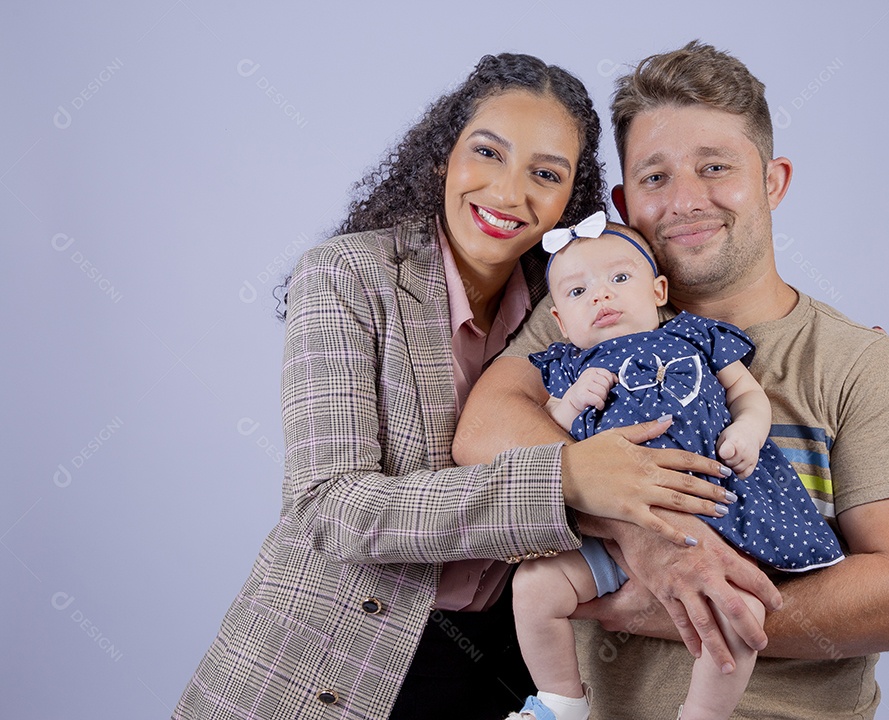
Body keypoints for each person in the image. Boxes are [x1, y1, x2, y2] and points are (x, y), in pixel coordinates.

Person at [172, 52, 734, 720]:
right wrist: (564, 480)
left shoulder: (567, 307)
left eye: (546, 174)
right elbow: (330, 508)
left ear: (569, 201)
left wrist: (831, 343)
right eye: (488, 152)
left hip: (502, 663)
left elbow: (673, 334)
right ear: (443, 155)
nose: (507, 192)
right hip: (329, 660)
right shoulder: (346, 276)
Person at [455, 41, 889, 719]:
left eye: (715, 168)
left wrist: (664, 603)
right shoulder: (584, 314)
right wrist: (646, 534)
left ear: (773, 181)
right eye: (655, 177)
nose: (686, 200)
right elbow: (484, 431)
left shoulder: (865, 366)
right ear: (623, 201)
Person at [505, 215, 843, 720]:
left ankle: (702, 713)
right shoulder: (570, 367)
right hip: (614, 534)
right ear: (559, 320)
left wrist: (747, 431)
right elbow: (546, 443)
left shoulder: (695, 336)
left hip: (710, 522)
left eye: (619, 279)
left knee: (742, 614)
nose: (600, 296)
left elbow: (747, 394)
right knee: (533, 587)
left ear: (658, 290)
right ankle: (561, 702)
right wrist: (571, 403)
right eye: (578, 292)